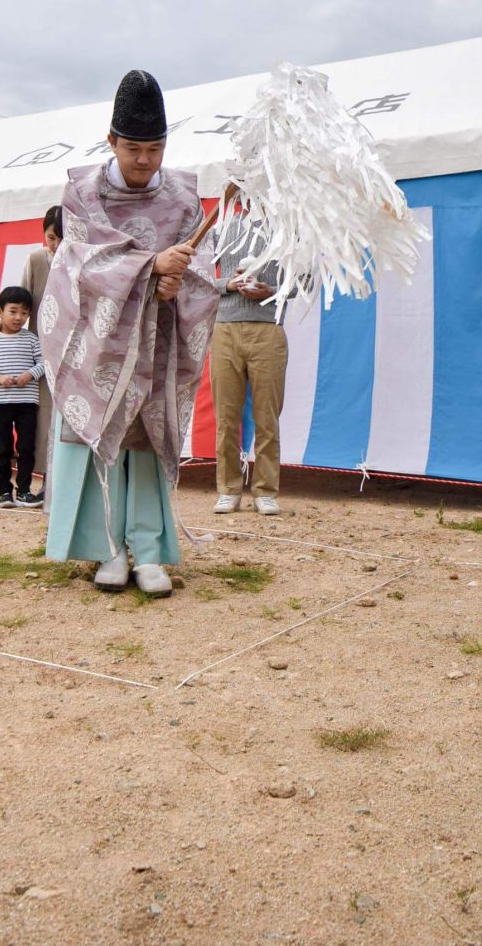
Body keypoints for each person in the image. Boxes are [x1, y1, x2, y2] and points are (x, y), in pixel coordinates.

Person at [39, 69, 218, 597]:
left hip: (158, 340)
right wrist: (148, 269)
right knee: (103, 442)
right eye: (134, 148)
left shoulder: (185, 198)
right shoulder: (82, 195)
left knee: (145, 439)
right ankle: (108, 550)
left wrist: (177, 284)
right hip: (100, 340)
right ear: (112, 140)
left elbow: (204, 264)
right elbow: (78, 262)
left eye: (155, 149)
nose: (144, 160)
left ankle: (151, 549)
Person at [210, 210, 290, 515]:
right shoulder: (221, 226)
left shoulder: (284, 226)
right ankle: (228, 488)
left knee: (267, 414)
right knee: (226, 416)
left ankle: (265, 490)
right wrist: (228, 286)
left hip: (268, 328)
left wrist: (270, 291)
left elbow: (305, 280)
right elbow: (199, 274)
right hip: (226, 327)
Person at [0, 206, 63, 506]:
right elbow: (19, 300)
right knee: (42, 418)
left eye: (61, 239)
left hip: (74, 348)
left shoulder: (80, 260)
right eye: (51, 237)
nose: (56, 245)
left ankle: (66, 480)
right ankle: (44, 482)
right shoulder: (36, 259)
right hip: (40, 348)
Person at [0, 286, 46, 508]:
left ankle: (24, 491)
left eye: (24, 313)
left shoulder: (32, 339)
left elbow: (44, 363)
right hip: (0, 403)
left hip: (27, 403)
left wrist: (29, 374)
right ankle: (4, 492)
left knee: (25, 447)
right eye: (13, 311)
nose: (19, 317)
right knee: (3, 449)